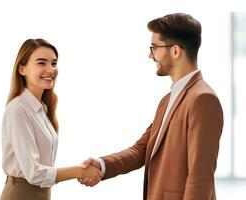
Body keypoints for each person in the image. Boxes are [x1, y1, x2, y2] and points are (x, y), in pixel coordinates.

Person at [79, 13, 224, 200]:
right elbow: (142, 150)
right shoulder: (168, 100)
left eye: (154, 47)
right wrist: (102, 165)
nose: (150, 55)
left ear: (175, 51)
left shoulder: (203, 99)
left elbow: (200, 176)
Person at [0, 38, 103, 200]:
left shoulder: (42, 109)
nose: (51, 69)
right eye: (41, 63)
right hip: (22, 194)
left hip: (42, 193)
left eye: (54, 63)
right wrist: (79, 171)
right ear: (22, 69)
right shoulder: (18, 109)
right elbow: (34, 173)